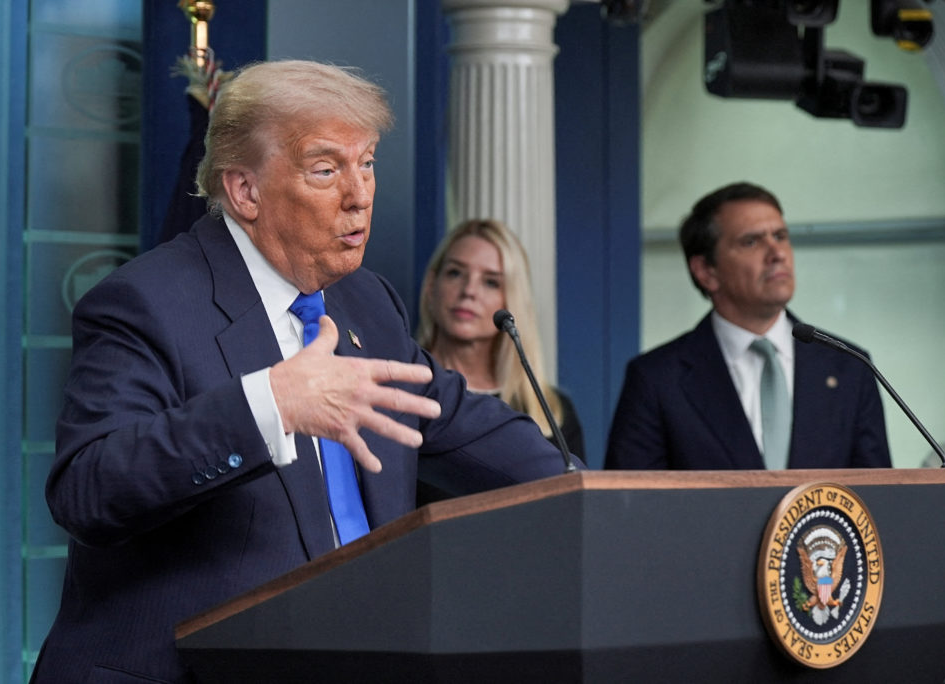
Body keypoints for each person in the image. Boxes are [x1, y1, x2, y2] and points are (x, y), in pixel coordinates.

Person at [31, 60, 581, 684]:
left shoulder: (367, 302)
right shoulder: (143, 302)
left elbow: (451, 418)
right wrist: (269, 405)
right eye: (327, 169)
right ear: (245, 191)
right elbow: (89, 488)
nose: (361, 193)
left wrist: (600, 496)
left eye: (367, 162)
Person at [605, 181, 891, 470]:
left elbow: (880, 501)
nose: (777, 253)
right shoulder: (656, 380)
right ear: (706, 272)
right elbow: (628, 508)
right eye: (751, 242)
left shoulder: (850, 367)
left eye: (780, 236)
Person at [417, 219, 585, 464]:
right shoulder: (400, 388)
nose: (469, 291)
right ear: (432, 286)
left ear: (512, 301)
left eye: (491, 282)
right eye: (455, 272)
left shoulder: (552, 412)